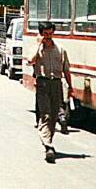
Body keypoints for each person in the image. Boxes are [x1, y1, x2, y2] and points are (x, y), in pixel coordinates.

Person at [28, 22, 73, 163]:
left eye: (50, 33)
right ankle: (48, 145)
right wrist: (37, 44)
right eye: (45, 34)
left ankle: (48, 142)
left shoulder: (60, 49)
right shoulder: (37, 49)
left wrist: (70, 87)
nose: (48, 36)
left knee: (54, 116)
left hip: (56, 84)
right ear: (41, 34)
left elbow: (66, 69)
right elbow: (30, 60)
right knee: (45, 115)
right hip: (43, 84)